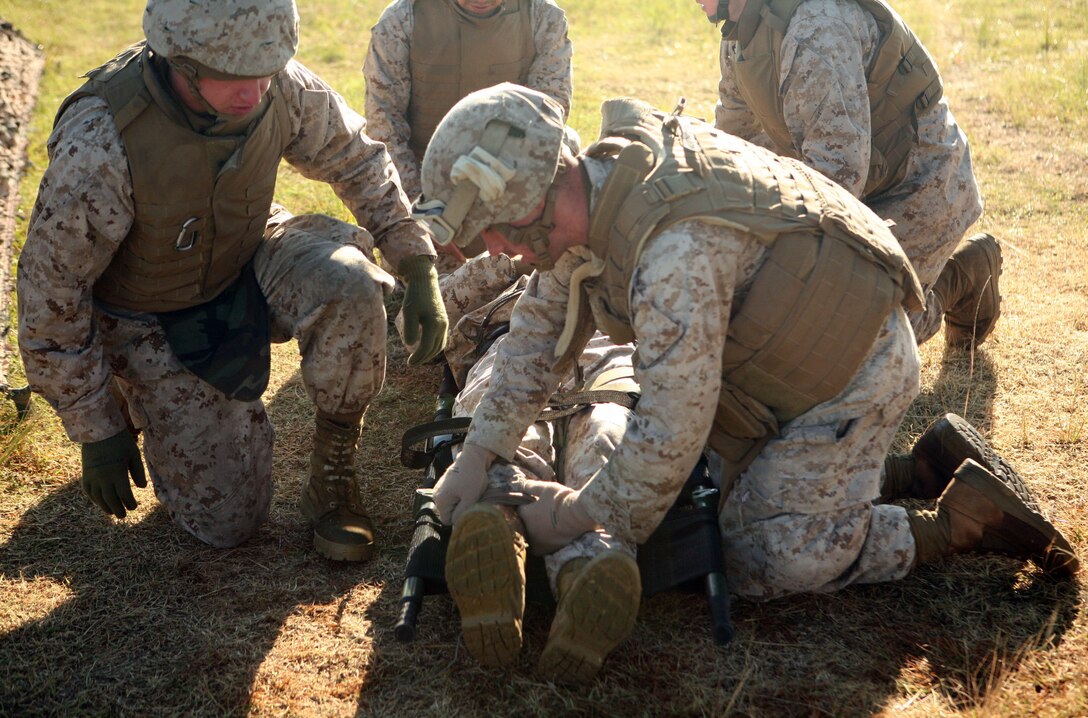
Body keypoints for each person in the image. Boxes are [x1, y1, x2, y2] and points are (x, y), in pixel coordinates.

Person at [412, 84, 1078, 679]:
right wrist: (479, 455)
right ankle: (918, 467)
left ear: (528, 203)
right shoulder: (603, 185)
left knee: (760, 553)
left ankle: (961, 521)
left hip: (848, 373)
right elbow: (537, 330)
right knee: (712, 501)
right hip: (791, 364)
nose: (497, 251)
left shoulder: (671, 248)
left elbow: (672, 426)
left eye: (496, 234)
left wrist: (579, 515)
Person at [16, 0, 448, 563]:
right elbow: (50, 296)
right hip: (147, 311)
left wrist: (415, 261)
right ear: (179, 61)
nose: (251, 93)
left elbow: (358, 160)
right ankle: (137, 385)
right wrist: (93, 424)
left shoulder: (278, 86)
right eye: (228, 77)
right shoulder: (101, 142)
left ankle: (333, 473)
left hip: (247, 249)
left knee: (349, 281)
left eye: (263, 71)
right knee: (228, 523)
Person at [695, 0, 1001, 348]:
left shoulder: (816, 29)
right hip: (858, 184)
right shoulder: (741, 34)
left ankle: (960, 276)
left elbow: (839, 177)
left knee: (852, 347)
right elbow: (735, 142)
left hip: (920, 185)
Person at [436, 254, 641, 684]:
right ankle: (497, 529)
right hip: (509, 350)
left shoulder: (601, 253)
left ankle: (585, 577)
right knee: (502, 438)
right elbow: (428, 313)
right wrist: (511, 263)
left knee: (608, 432)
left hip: (604, 349)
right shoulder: (497, 269)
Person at [362, 0, 573, 211]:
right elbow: (384, 126)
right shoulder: (402, 19)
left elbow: (548, 115)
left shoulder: (542, 15)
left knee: (569, 163)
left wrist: (501, 192)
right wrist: (422, 204)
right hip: (422, 175)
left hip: (509, 173)